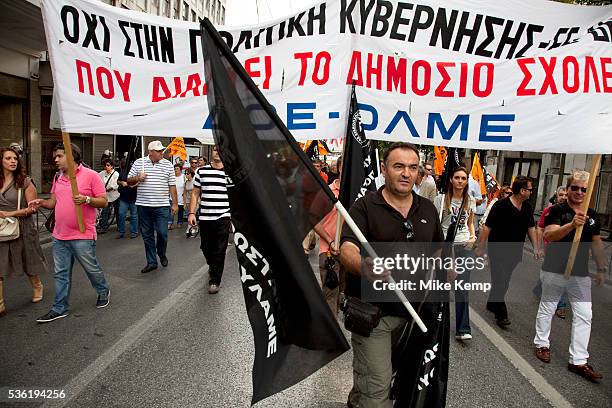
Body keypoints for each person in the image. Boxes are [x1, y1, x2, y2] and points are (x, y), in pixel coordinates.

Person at [339, 142, 443, 408]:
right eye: (399, 166)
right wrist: (365, 266)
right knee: (377, 391)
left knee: (395, 378)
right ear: (384, 169)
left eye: (412, 167)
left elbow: (438, 253)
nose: (406, 173)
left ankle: (357, 399)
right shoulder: (364, 207)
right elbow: (347, 248)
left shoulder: (428, 210)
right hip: (375, 317)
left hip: (415, 316)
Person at [533, 170, 607, 382]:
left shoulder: (592, 216)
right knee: (548, 308)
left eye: (584, 189)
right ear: (568, 188)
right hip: (554, 269)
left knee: (585, 314)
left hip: (580, 274)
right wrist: (572, 225)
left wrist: (601, 268)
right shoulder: (557, 210)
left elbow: (597, 242)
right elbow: (549, 234)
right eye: (575, 187)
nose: (579, 192)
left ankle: (578, 360)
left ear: (589, 191)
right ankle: (542, 344)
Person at [29, 143, 110, 323]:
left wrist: (87, 199)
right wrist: (41, 203)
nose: (55, 159)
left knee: (91, 268)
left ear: (72, 155)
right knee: (61, 273)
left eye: (59, 156)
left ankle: (103, 289)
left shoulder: (91, 176)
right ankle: (60, 308)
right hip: (59, 235)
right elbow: (53, 201)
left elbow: (103, 202)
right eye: (55, 156)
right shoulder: (58, 177)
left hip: (83, 235)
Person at [477, 176, 540, 327]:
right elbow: (487, 227)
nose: (531, 192)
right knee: (500, 280)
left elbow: (531, 228)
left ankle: (492, 303)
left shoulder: (527, 208)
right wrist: (480, 248)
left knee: (504, 281)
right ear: (522, 190)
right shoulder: (500, 205)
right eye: (530, 189)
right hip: (497, 250)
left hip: (514, 252)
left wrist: (536, 247)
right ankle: (501, 314)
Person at [0, 147, 48, 317]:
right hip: (1, 228)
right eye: (8, 158)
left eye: (15, 158)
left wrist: (10, 213)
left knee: (28, 259)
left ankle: (37, 285)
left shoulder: (24, 181)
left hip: (22, 227)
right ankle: (0, 304)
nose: (13, 161)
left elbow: (33, 208)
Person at [434, 166, 477, 341]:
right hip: (446, 246)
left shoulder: (470, 200)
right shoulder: (441, 199)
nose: (460, 181)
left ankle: (463, 328)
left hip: (464, 246)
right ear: (451, 179)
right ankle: (437, 322)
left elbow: (470, 223)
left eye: (463, 178)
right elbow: (435, 225)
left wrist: (473, 236)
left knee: (462, 287)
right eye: (457, 177)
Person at [127, 141, 178, 274]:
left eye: (162, 150)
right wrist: (139, 177)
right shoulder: (139, 162)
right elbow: (128, 180)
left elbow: (172, 185)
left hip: (161, 205)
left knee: (162, 233)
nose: (162, 152)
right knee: (147, 235)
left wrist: (175, 204)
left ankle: (161, 252)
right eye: (159, 151)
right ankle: (151, 262)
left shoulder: (168, 164)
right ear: (150, 152)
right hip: (143, 205)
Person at [188, 145, 231, 294]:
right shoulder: (202, 171)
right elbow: (195, 193)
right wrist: (192, 213)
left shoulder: (230, 171)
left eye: (220, 149)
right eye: (215, 149)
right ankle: (212, 265)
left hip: (224, 216)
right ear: (211, 152)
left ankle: (215, 280)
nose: (217, 152)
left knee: (220, 249)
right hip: (205, 216)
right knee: (206, 247)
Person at [313, 156, 343, 314]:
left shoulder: (360, 194)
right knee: (331, 294)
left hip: (352, 252)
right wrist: (331, 241)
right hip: (330, 251)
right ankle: (333, 336)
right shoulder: (326, 192)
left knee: (346, 296)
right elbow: (313, 220)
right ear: (338, 168)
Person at [533, 186, 568, 318]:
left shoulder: (575, 212)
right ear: (556, 196)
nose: (564, 197)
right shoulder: (549, 211)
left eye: (566, 194)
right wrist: (539, 248)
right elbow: (540, 229)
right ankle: (542, 289)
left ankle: (561, 305)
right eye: (561, 195)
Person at [116, 158, 139, 239]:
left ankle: (134, 232)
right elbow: (118, 181)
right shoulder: (123, 171)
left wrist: (131, 185)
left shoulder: (137, 172)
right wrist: (122, 182)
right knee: (121, 214)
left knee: (134, 216)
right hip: (124, 197)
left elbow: (140, 182)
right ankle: (121, 232)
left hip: (134, 197)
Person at [97, 158, 119, 234]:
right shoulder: (102, 173)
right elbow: (96, 179)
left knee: (118, 211)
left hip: (115, 196)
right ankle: (104, 227)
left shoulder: (116, 174)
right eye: (105, 165)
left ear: (112, 166)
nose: (106, 167)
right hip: (106, 196)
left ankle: (120, 227)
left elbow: (117, 184)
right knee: (105, 212)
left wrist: (112, 187)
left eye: (108, 165)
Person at [168, 164, 185, 230]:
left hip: (181, 196)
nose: (175, 170)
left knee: (180, 210)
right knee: (171, 211)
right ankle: (170, 223)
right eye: (174, 169)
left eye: (177, 168)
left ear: (180, 170)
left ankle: (179, 222)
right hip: (172, 197)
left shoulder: (183, 177)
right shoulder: (172, 177)